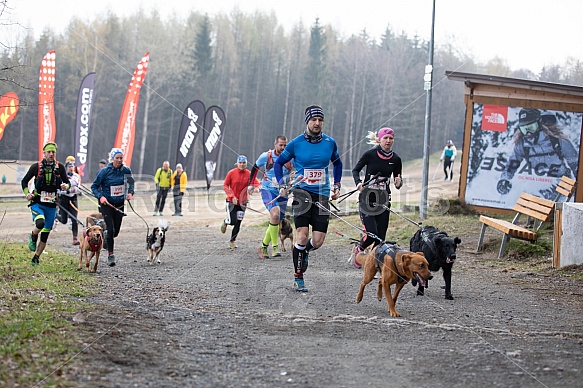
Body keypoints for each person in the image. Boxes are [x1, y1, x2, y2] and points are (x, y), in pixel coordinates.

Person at [274, 105, 343, 292]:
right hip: (301, 192)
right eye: (314, 120)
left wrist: (337, 184)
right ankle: (298, 277)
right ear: (307, 122)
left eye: (320, 120)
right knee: (302, 236)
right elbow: (279, 163)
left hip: (322, 194)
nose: (317, 123)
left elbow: (337, 163)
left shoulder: (330, 142)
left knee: (318, 241)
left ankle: (303, 252)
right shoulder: (296, 143)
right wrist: (282, 184)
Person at [350, 128, 403, 269]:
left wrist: (398, 182)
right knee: (372, 233)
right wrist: (358, 183)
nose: (388, 141)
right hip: (367, 199)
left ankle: (373, 263)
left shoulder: (396, 159)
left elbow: (398, 180)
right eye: (385, 138)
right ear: (379, 139)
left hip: (383, 200)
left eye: (391, 138)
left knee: (380, 237)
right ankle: (359, 250)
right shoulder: (370, 155)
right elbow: (355, 170)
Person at [497, 108, 579, 199]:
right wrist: (505, 179)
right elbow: (513, 163)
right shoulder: (522, 144)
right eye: (524, 129)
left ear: (539, 124)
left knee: (555, 207)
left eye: (531, 128)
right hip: (538, 183)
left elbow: (574, 162)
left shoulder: (556, 140)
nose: (528, 133)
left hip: (561, 182)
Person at [20, 142, 70, 266]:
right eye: (49, 152)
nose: (51, 154)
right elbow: (24, 181)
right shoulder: (36, 167)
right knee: (40, 223)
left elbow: (67, 182)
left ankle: (36, 257)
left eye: (53, 152)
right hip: (37, 202)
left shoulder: (60, 167)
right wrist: (27, 193)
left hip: (52, 205)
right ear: (44, 153)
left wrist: (65, 186)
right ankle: (33, 235)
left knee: (46, 233)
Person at [249, 135, 294, 259]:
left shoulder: (290, 157)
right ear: (275, 144)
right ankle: (275, 247)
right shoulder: (266, 156)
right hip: (268, 190)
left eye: (285, 145)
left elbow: (298, 169)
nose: (283, 147)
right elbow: (255, 167)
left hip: (283, 192)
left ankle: (263, 246)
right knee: (274, 214)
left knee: (277, 219)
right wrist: (251, 184)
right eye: (281, 145)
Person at [91, 148, 135, 267]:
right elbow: (94, 186)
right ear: (112, 159)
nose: (120, 160)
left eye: (121, 158)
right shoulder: (104, 171)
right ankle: (111, 255)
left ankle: (106, 236)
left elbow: (131, 183)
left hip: (119, 204)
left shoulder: (126, 170)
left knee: (115, 232)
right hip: (107, 204)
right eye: (117, 158)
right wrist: (101, 197)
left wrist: (130, 192)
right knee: (110, 229)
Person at [220, 155, 260, 249]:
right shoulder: (231, 173)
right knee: (232, 221)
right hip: (231, 202)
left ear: (246, 164)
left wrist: (257, 188)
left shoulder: (249, 174)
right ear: (237, 163)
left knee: (238, 223)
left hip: (243, 203)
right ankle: (226, 222)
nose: (242, 165)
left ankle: (232, 241)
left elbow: (257, 183)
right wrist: (231, 196)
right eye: (240, 163)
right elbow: (225, 185)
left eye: (244, 163)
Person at [56, 161, 82, 245]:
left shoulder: (76, 176)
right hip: (63, 200)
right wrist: (65, 190)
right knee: (64, 220)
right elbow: (59, 189)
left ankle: (75, 238)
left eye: (72, 166)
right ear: (66, 168)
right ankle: (55, 215)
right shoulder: (62, 176)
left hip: (73, 200)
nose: (71, 168)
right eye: (69, 166)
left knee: (74, 219)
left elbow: (78, 188)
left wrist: (73, 189)